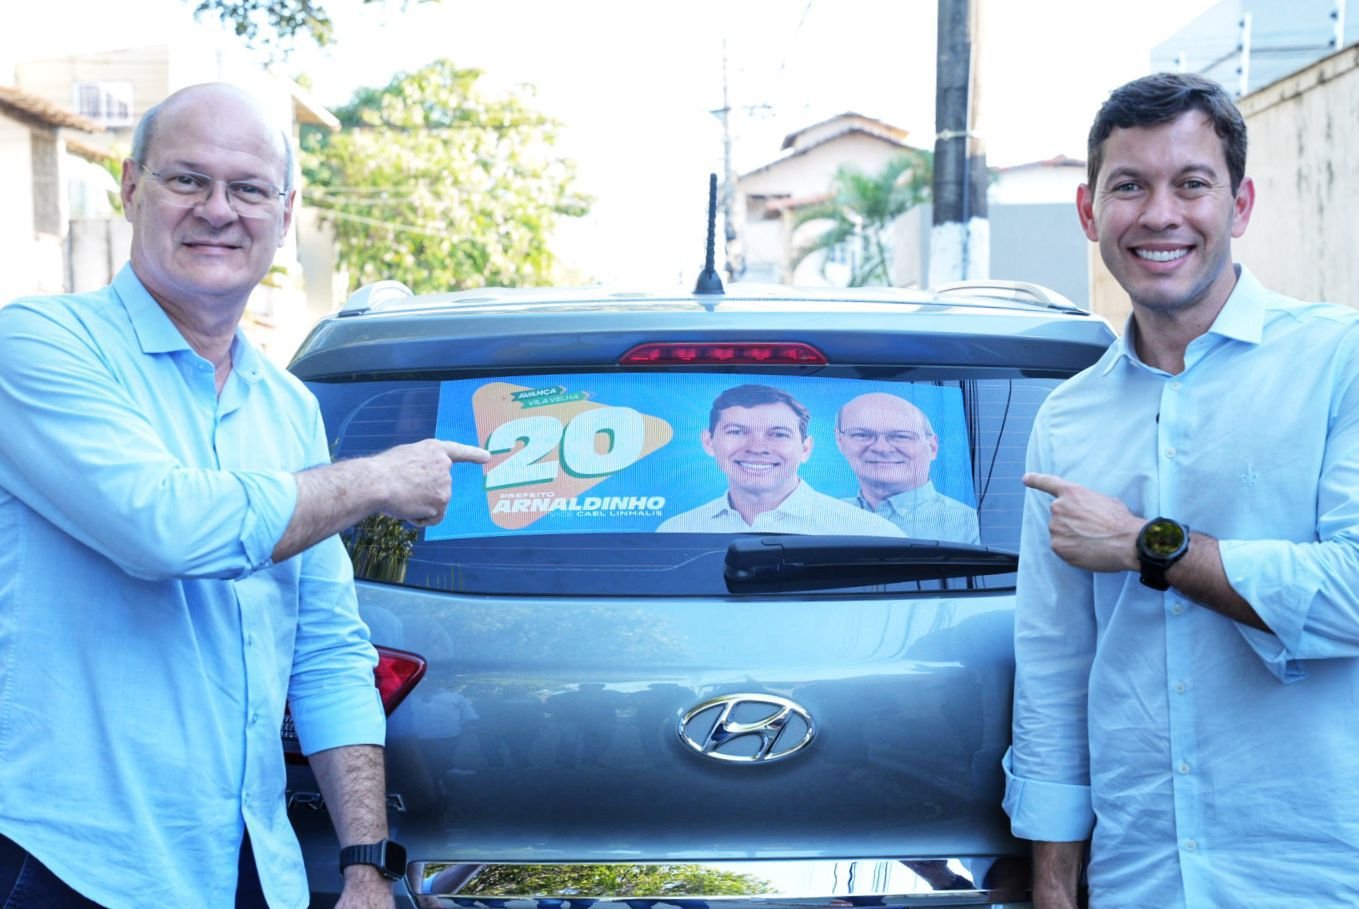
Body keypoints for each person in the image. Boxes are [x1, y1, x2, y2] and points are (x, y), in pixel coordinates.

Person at [0, 83, 490, 908]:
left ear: (285, 214)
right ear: (129, 186)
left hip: (249, 865)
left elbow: (327, 648)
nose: (218, 210)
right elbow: (166, 529)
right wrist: (375, 478)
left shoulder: (288, 406)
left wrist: (365, 863)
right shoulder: (40, 344)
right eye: (187, 180)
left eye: (249, 188)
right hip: (72, 865)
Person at [1003, 71, 1359, 908]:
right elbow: (1055, 667)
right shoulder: (1067, 417)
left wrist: (1144, 545)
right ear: (1090, 214)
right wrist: (1054, 884)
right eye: (1128, 186)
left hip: (1318, 867)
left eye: (1190, 184)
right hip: (1144, 872)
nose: (1159, 214)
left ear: (1237, 206)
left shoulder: (1337, 363)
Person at [656, 384, 901, 535]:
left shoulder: (869, 532)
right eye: (737, 431)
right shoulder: (677, 531)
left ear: (805, 449)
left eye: (778, 434)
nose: (757, 448)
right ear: (709, 442)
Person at [835, 392, 980, 543]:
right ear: (840, 441)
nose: (881, 448)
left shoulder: (971, 527)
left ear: (933, 447)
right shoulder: (820, 517)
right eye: (862, 435)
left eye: (901, 436)